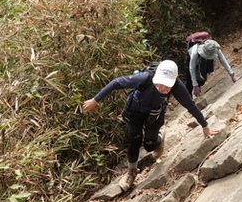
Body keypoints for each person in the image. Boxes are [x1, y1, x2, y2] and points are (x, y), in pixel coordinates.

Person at [82, 60, 220, 192]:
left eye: (166, 86)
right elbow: (116, 82)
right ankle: (131, 172)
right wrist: (95, 100)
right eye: (159, 84)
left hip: (154, 114)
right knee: (134, 139)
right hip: (134, 112)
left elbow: (190, 105)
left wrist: (205, 126)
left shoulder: (177, 86)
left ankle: (160, 137)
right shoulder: (145, 78)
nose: (162, 88)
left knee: (149, 146)